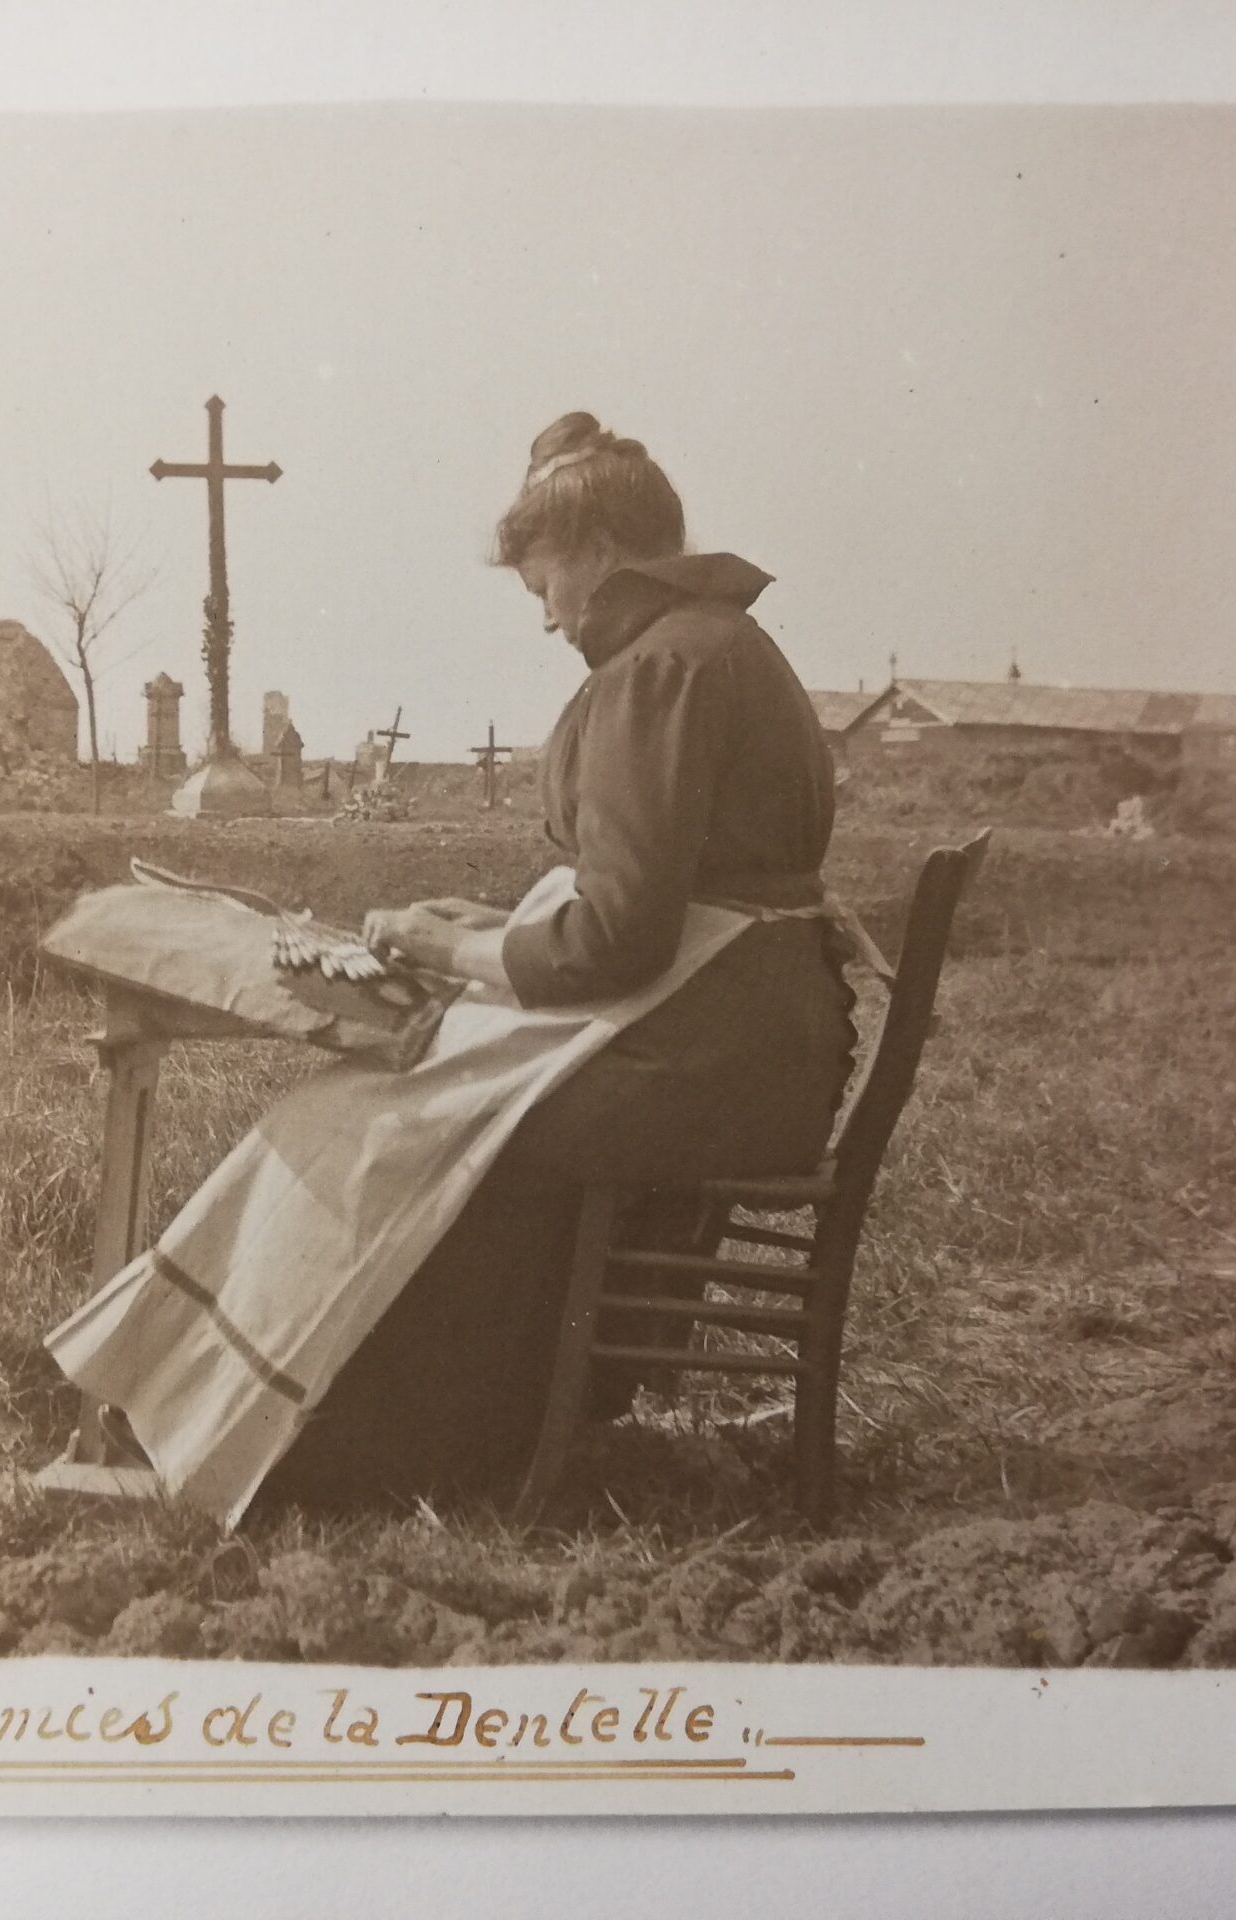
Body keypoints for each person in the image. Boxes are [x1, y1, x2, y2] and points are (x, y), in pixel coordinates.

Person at [253, 411, 861, 1510]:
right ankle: (521, 1418)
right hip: (757, 1042)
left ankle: (377, 1453)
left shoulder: (658, 672)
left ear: (597, 553)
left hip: (708, 1066)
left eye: (542, 589)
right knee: (438, 1094)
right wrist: (485, 925)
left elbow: (621, 939)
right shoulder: (722, 648)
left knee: (391, 1123)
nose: (543, 619)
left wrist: (455, 949)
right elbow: (687, 894)